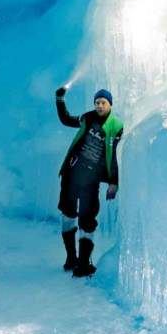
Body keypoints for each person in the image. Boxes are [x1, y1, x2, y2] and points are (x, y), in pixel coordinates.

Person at [54, 86, 122, 277]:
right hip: (71, 174)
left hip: (91, 180)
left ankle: (83, 264)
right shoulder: (88, 117)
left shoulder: (115, 126)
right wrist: (60, 100)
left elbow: (113, 155)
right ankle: (70, 259)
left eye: (103, 103)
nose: (99, 106)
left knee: (88, 219)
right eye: (97, 102)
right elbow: (66, 119)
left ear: (110, 104)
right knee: (67, 213)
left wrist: (113, 182)